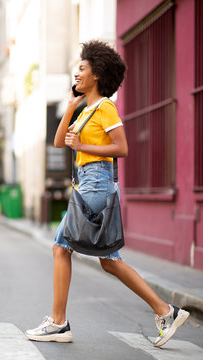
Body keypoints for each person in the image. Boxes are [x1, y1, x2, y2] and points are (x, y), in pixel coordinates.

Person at [25, 40, 189, 347]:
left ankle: (58, 323)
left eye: (83, 68)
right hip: (89, 183)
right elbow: (61, 142)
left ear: (97, 74)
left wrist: (82, 146)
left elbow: (122, 148)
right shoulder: (87, 110)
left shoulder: (105, 108)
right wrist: (71, 106)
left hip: (96, 183)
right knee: (110, 260)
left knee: (61, 247)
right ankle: (165, 311)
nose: (77, 73)